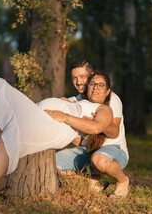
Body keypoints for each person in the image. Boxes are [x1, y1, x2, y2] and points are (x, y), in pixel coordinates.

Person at [0, 72, 114, 205]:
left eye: (101, 85)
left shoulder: (104, 109)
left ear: (107, 91)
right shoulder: (77, 100)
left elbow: (96, 127)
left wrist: (64, 116)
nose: (95, 88)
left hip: (57, 127)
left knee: (12, 133)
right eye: (92, 83)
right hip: (39, 115)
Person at [56, 60, 129, 198]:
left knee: (99, 159)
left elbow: (114, 132)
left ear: (91, 75)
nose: (79, 82)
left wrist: (95, 124)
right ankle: (91, 182)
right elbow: (78, 142)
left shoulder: (110, 98)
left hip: (113, 149)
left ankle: (123, 181)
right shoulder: (74, 102)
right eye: (74, 78)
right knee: (51, 164)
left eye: (83, 77)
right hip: (87, 151)